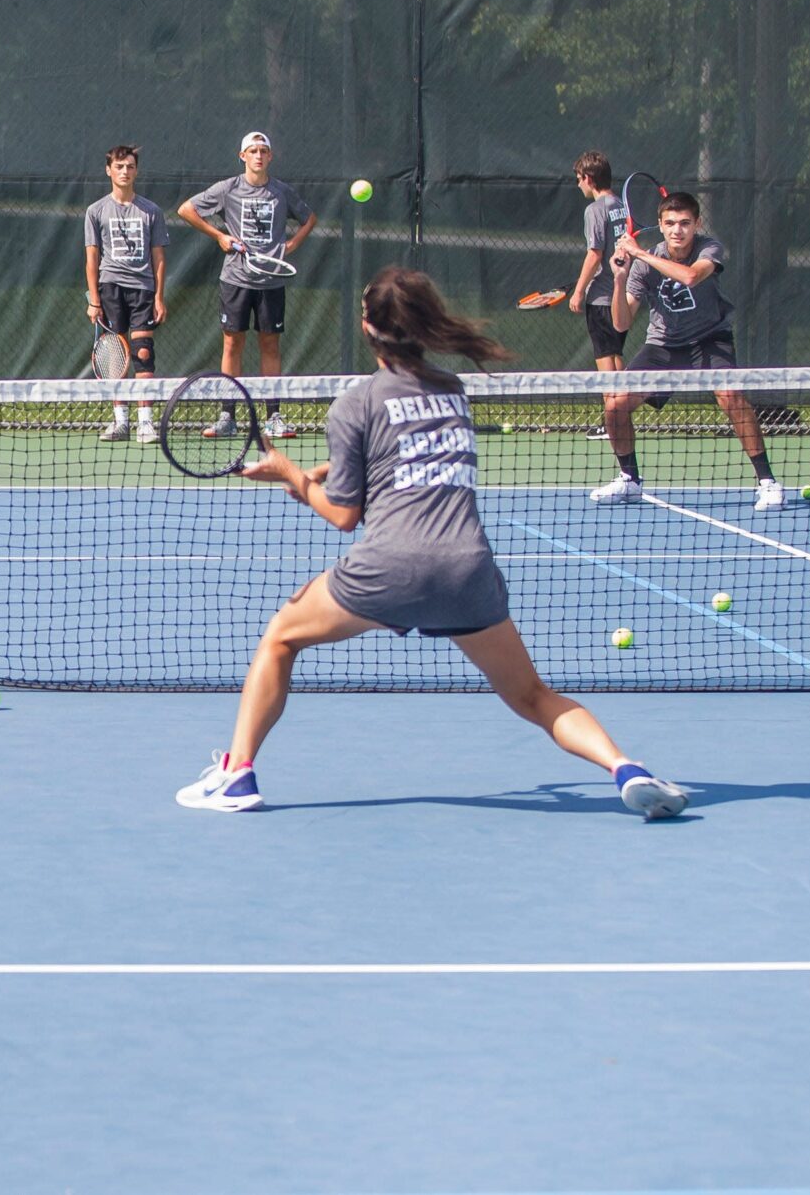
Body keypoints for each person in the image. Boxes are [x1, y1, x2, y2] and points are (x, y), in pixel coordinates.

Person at [175, 265, 688, 820]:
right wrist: (335, 467)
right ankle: (625, 769)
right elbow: (411, 454)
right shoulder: (453, 391)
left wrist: (293, 478)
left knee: (279, 639)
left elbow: (346, 517)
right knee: (534, 697)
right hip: (468, 574)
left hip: (389, 570)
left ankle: (237, 775)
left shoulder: (354, 404)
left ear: (368, 328)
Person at [591, 190, 787, 511]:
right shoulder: (643, 264)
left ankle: (768, 483)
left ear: (696, 224)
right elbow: (621, 323)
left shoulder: (709, 247)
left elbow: (692, 276)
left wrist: (640, 255)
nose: (677, 230)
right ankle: (629, 480)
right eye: (670, 223)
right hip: (664, 346)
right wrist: (619, 279)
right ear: (660, 224)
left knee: (731, 396)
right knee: (615, 406)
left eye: (684, 223)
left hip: (710, 339)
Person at [178, 131, 316, 437]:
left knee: (270, 344)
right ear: (243, 156)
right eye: (252, 151)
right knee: (232, 343)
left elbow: (309, 218)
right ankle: (228, 416)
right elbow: (186, 210)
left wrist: (292, 244)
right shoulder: (227, 189)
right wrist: (219, 235)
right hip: (235, 279)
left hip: (271, 280)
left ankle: (274, 417)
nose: (258, 155)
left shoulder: (281, 192)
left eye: (263, 151)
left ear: (270, 157)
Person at [83, 144, 168, 443]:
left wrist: (159, 296)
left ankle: (146, 423)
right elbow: (92, 258)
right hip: (110, 289)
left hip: (143, 290)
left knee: (143, 354)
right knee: (116, 358)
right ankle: (121, 422)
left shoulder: (151, 211)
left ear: (136, 171)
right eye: (119, 166)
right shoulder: (95, 211)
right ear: (109, 170)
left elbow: (159, 258)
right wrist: (95, 300)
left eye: (130, 166)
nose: (124, 171)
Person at [569, 151, 630, 390]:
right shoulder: (621, 206)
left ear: (589, 178)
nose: (578, 184)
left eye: (579, 178)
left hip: (601, 300)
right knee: (616, 360)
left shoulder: (594, 210)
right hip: (620, 297)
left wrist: (579, 291)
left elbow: (595, 254)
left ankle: (613, 422)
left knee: (607, 368)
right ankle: (619, 420)